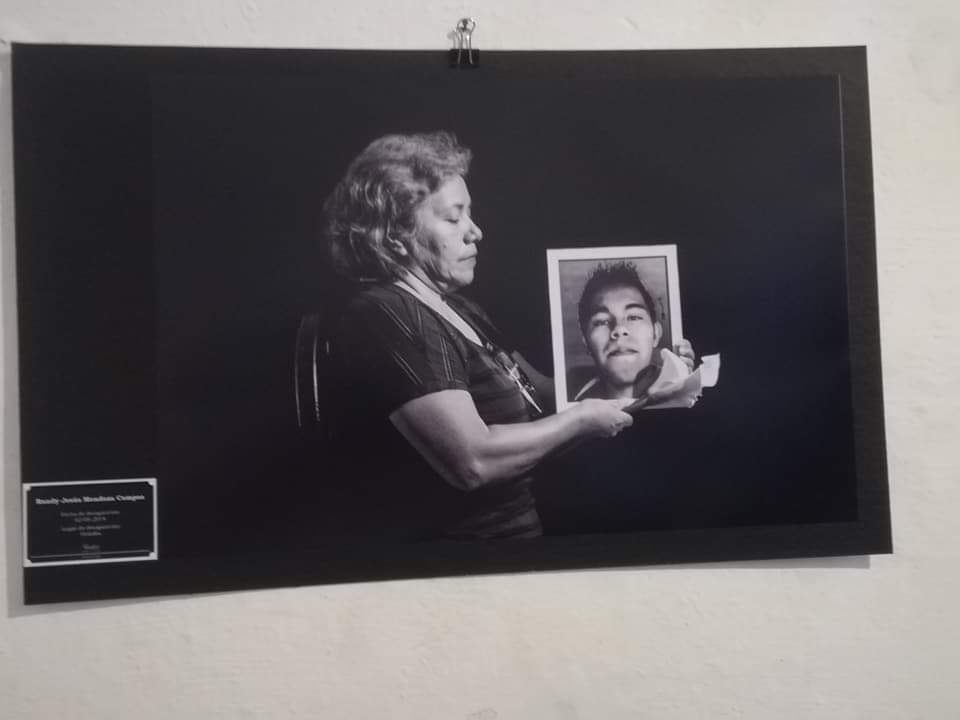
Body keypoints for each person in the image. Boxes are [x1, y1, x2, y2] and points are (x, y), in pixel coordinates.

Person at [323, 131, 634, 541]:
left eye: (469, 215)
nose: (476, 232)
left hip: (520, 546)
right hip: (463, 563)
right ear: (396, 234)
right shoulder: (387, 314)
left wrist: (639, 375)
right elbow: (472, 462)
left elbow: (544, 398)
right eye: (454, 218)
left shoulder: (459, 309)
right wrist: (580, 420)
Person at [571, 261, 695, 402]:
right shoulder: (571, 399)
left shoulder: (678, 386)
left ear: (656, 334)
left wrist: (690, 389)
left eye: (634, 317)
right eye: (602, 321)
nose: (619, 329)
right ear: (586, 342)